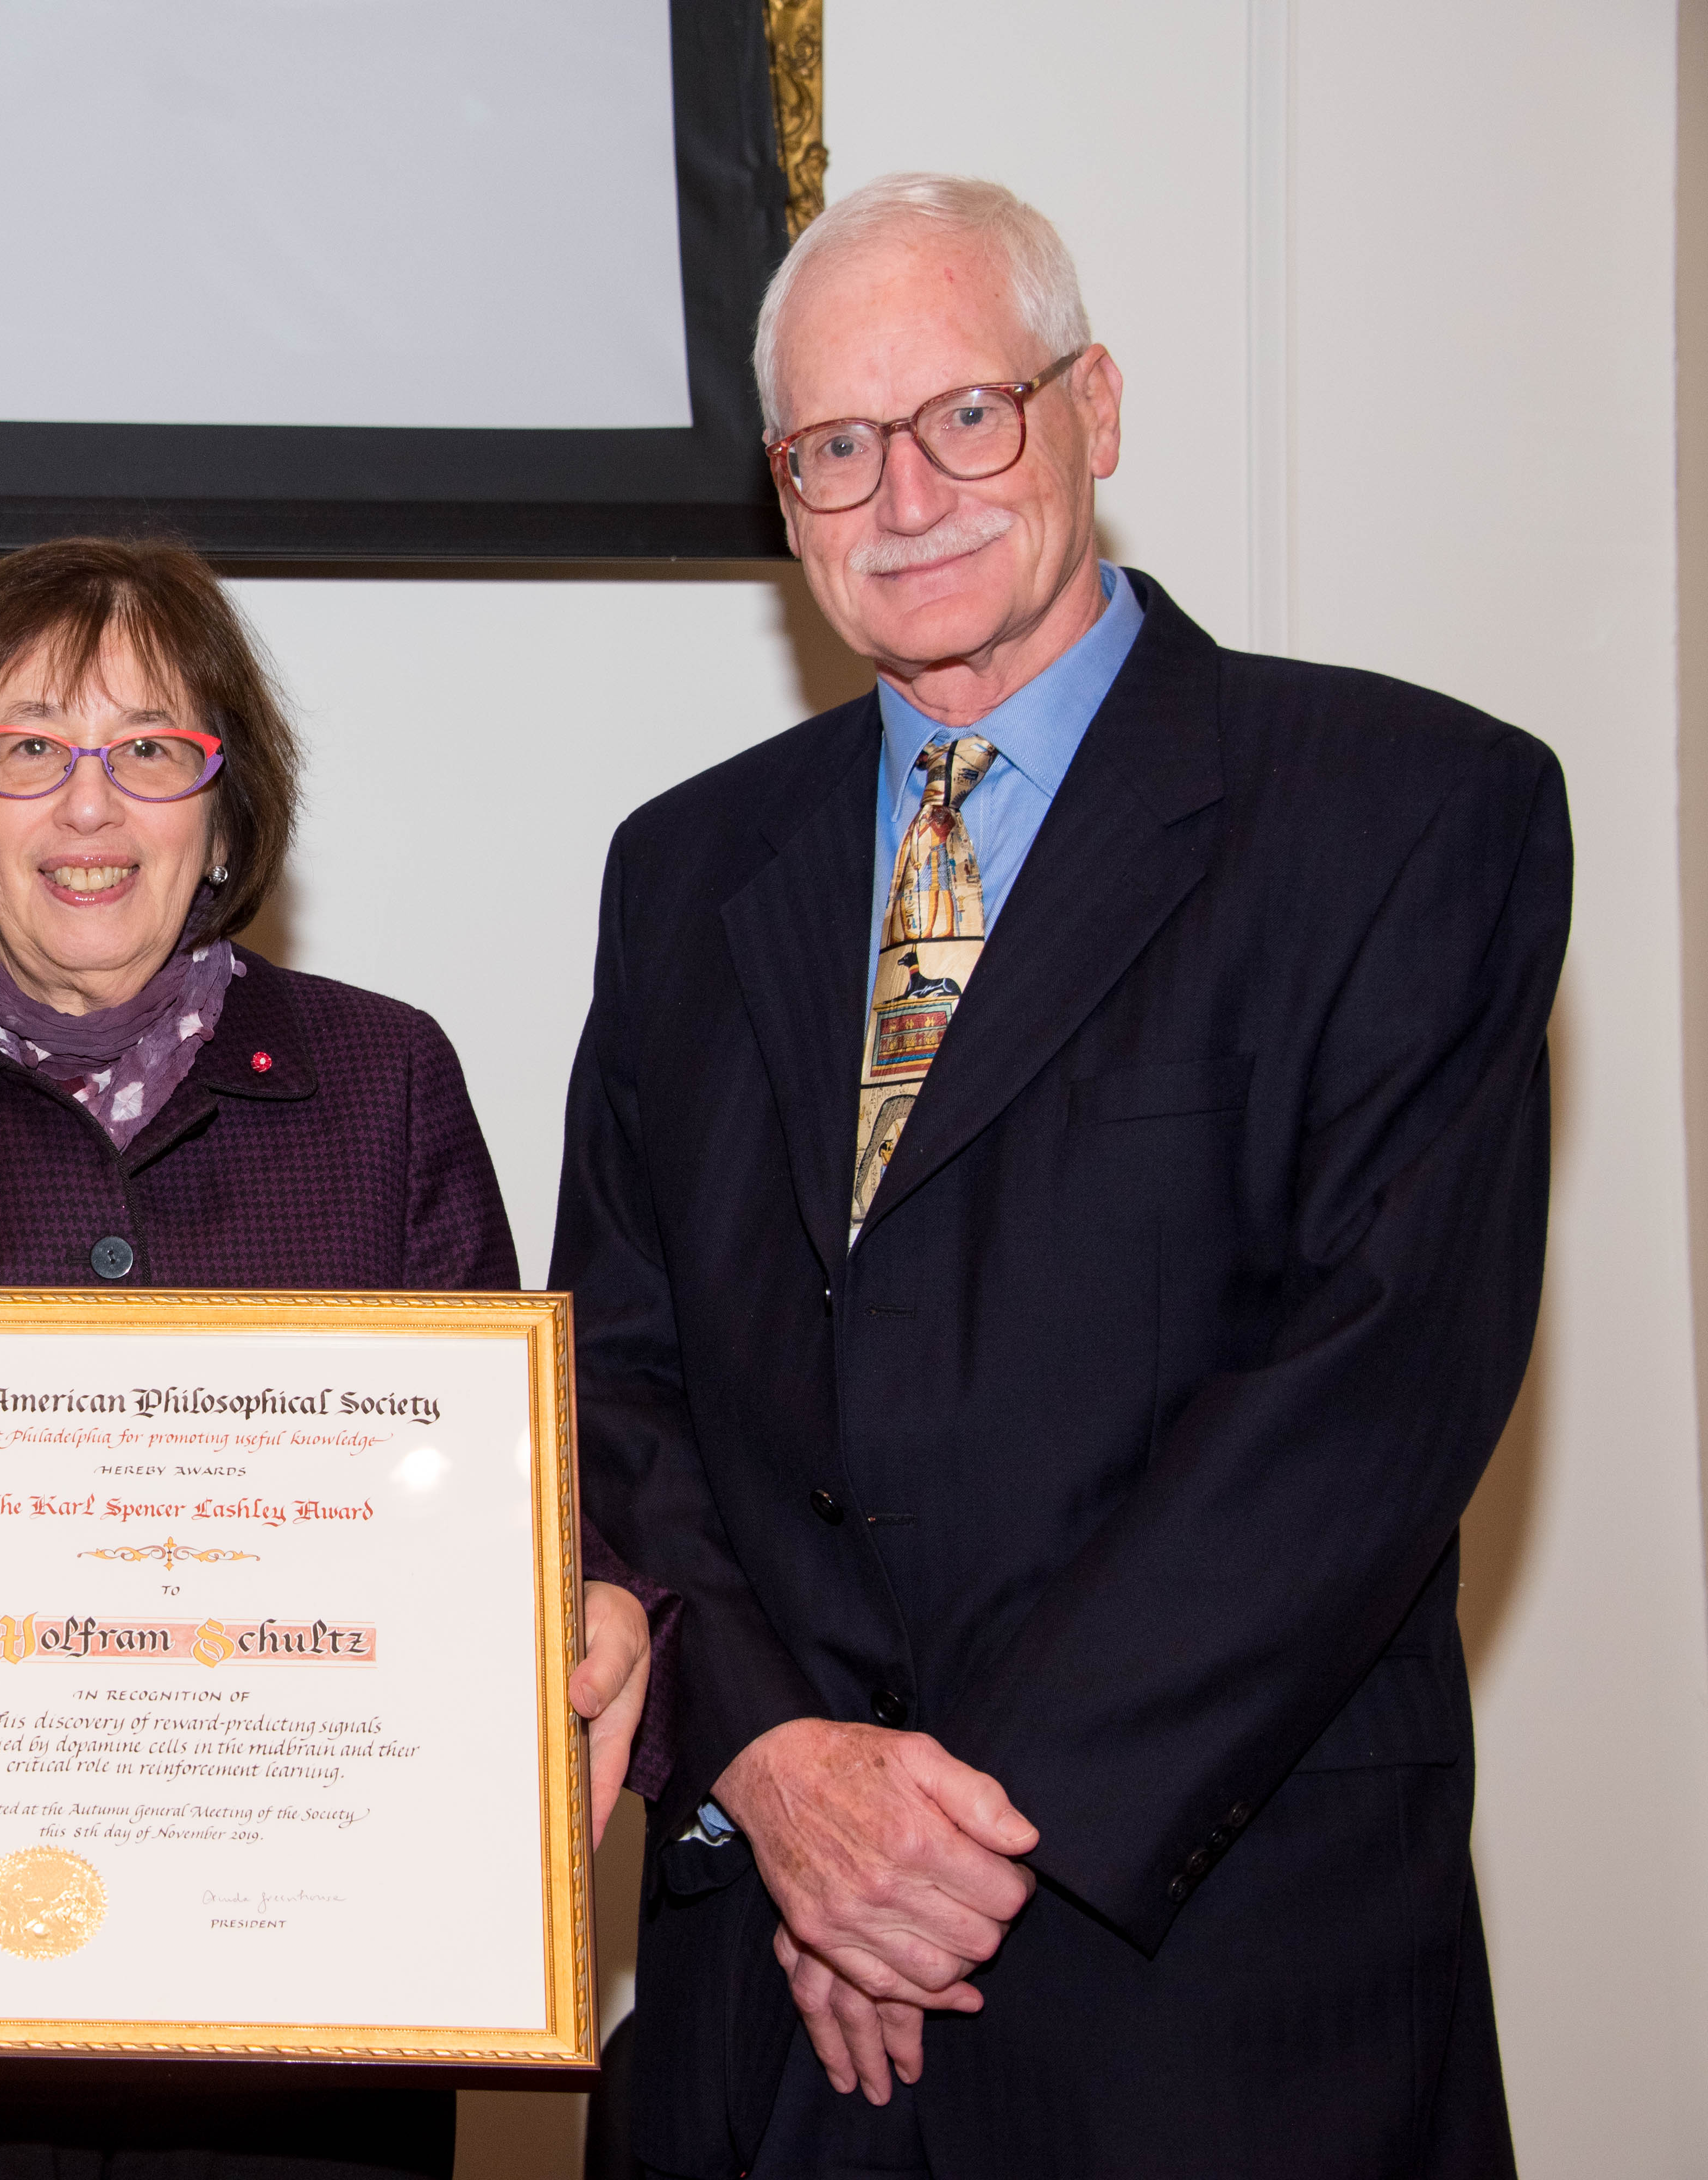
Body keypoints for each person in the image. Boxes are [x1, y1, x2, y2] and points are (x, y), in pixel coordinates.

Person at [552, 173, 1568, 2178]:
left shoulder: (1407, 812)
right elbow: (619, 1374)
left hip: (1202, 1986)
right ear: (785, 493)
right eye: (836, 447)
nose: (904, 493)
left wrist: (931, 1859)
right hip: (764, 1999)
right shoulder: (684, 868)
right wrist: (772, 1769)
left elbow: (1368, 1396)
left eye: (966, 415)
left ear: (1094, 407)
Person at [0, 536, 669, 2177]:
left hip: (304, 2054)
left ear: (225, 806)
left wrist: (575, 1590)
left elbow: (487, 1530)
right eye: (29, 746)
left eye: (152, 749)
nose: (88, 806)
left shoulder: (387, 1084)